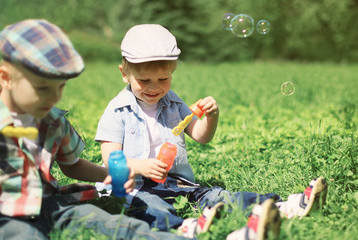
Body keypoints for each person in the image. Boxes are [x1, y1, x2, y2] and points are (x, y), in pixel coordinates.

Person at [94, 24, 328, 239]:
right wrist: (140, 166)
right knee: (151, 208)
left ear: (172, 73)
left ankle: (280, 207)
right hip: (133, 185)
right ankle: (184, 228)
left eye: (163, 79)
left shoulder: (173, 102)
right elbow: (109, 158)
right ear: (125, 74)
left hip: (175, 182)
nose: (155, 87)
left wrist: (212, 116)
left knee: (216, 196)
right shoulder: (117, 109)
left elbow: (201, 136)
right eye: (144, 80)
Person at [0, 19, 193, 240]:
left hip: (50, 206)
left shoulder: (52, 120)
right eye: (42, 89)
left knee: (109, 223)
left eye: (60, 87)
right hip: (1, 216)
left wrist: (110, 173)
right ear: (6, 78)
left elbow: (72, 166)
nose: (54, 97)